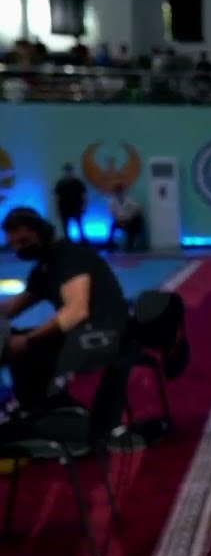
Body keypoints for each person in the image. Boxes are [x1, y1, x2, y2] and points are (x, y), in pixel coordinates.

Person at [0, 207, 130, 429]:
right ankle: (41, 408)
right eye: (15, 245)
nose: (19, 249)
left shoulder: (70, 258)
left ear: (40, 232)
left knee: (26, 346)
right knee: (14, 340)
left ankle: (47, 412)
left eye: (24, 241)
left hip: (104, 333)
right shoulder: (46, 265)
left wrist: (28, 339)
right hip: (86, 331)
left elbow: (76, 312)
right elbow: (12, 307)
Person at [53, 163, 88, 243]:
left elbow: (84, 195)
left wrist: (84, 206)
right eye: (67, 171)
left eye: (69, 171)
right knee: (66, 226)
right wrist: (56, 209)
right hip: (64, 208)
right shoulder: (60, 183)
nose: (68, 173)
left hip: (76, 207)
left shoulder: (78, 182)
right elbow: (56, 197)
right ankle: (68, 241)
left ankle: (83, 241)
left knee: (79, 225)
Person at [107, 184, 145, 252]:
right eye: (117, 192)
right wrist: (120, 221)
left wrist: (130, 217)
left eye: (120, 192)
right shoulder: (112, 202)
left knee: (132, 228)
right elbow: (113, 214)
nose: (119, 194)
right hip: (119, 220)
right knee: (112, 228)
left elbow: (139, 208)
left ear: (122, 192)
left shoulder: (129, 201)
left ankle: (129, 246)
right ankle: (110, 245)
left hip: (128, 220)